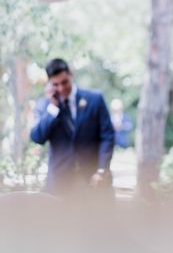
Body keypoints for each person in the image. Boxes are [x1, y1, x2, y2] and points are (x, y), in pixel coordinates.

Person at [30, 58, 115, 195]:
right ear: (49, 83)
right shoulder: (45, 106)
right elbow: (37, 138)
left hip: (93, 180)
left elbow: (107, 136)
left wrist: (101, 169)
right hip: (60, 184)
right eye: (56, 84)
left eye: (64, 82)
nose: (61, 88)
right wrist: (53, 107)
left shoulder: (95, 99)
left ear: (71, 74)